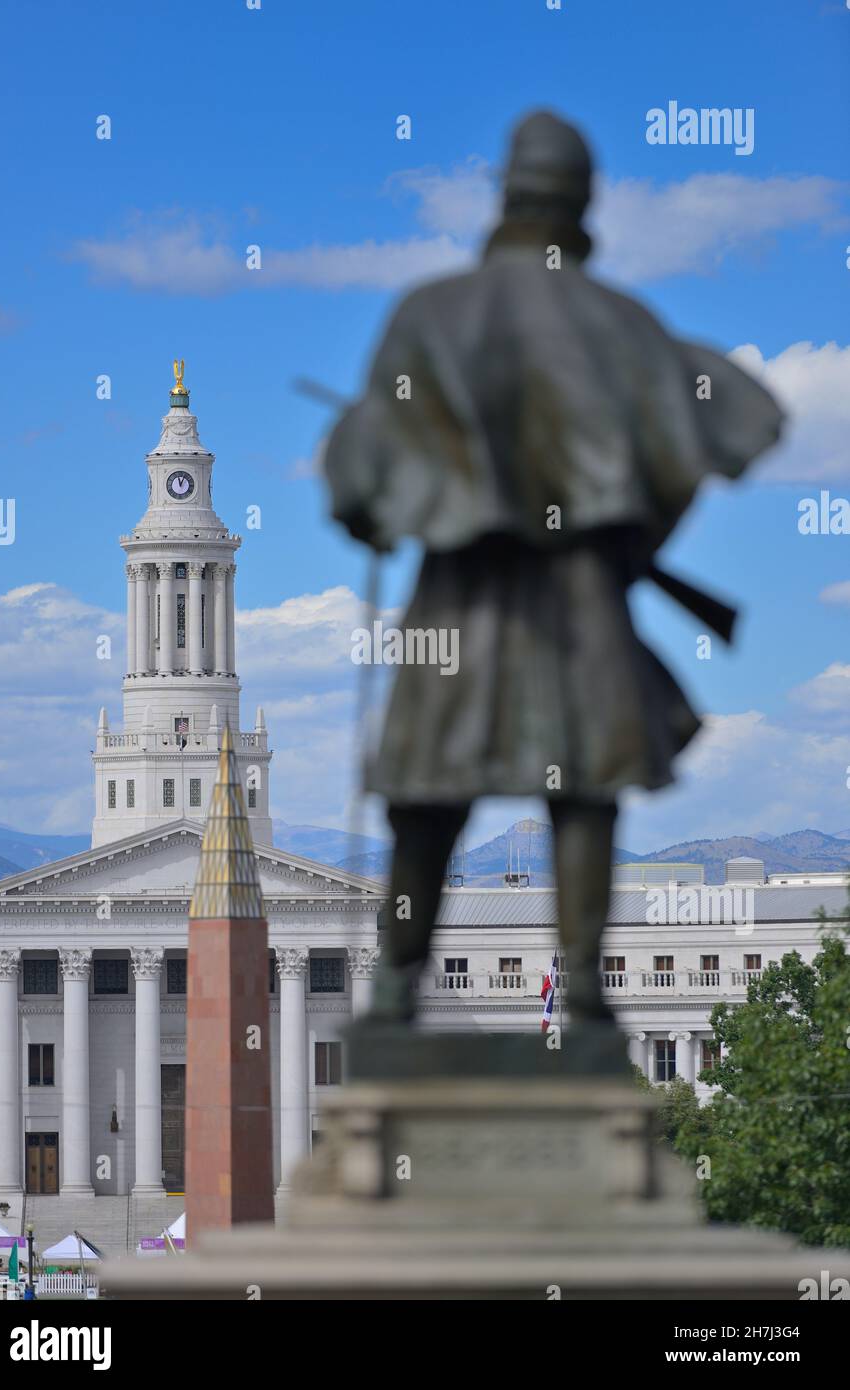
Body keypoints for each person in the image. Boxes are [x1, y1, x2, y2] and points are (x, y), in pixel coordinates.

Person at [324, 110, 783, 1029]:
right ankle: (581, 986)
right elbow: (717, 432)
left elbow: (357, 479)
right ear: (581, 208)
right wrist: (634, 544)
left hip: (461, 589)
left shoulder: (431, 313)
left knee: (426, 794)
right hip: (583, 593)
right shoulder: (622, 322)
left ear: (505, 196)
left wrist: (383, 507)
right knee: (585, 791)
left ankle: (394, 987)